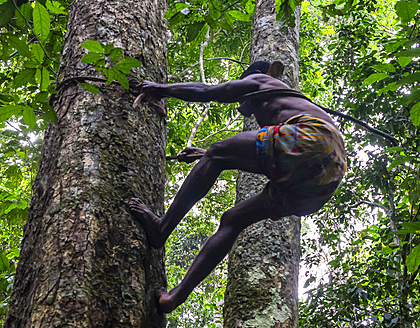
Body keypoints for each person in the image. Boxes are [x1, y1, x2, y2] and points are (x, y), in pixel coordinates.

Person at [129, 61, 347, 313]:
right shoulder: (283, 103)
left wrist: (159, 89)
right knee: (233, 219)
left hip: (314, 138)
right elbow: (269, 155)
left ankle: (161, 228)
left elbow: (208, 91)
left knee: (218, 153)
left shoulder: (263, 82)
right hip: (327, 178)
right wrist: (206, 155)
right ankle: (173, 297)